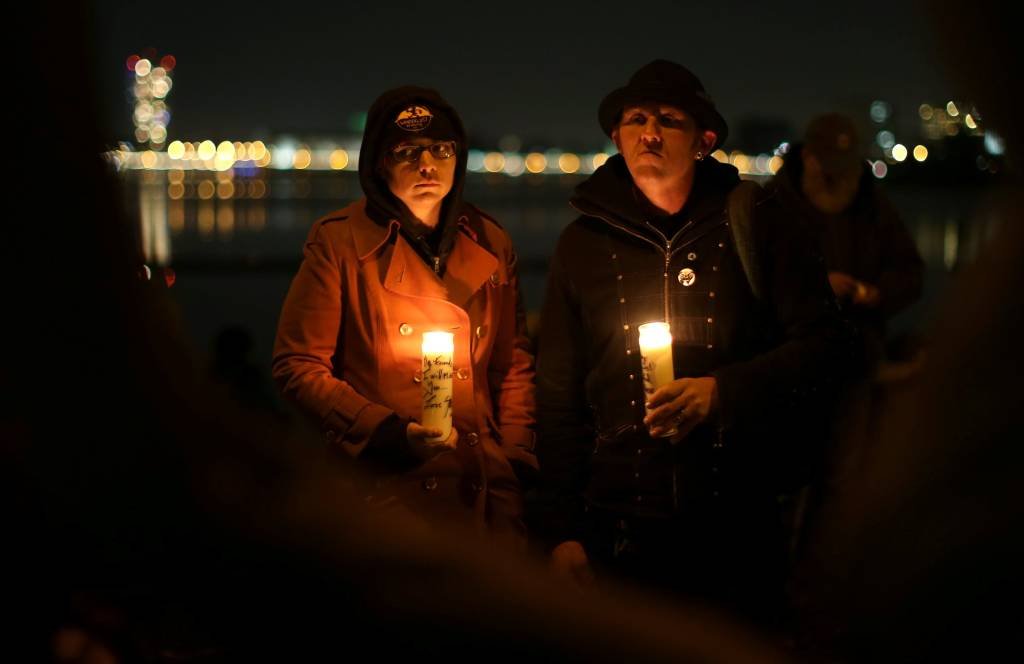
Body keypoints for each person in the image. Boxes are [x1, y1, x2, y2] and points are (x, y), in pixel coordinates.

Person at [532, 60, 855, 626]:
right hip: (617, 521)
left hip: (735, 521)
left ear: (704, 141)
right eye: (635, 119)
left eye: (669, 120)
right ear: (617, 137)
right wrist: (562, 531)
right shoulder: (583, 244)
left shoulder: (759, 222)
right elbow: (558, 393)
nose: (649, 132)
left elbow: (825, 345)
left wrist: (723, 392)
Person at [272, 86, 536, 543]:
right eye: (407, 152)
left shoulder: (492, 241)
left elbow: (512, 363)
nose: (428, 165)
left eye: (441, 149)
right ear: (378, 162)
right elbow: (297, 366)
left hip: (487, 491)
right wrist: (387, 434)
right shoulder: (339, 243)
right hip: (389, 493)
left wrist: (515, 457)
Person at [768, 112, 923, 366]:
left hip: (861, 352)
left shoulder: (873, 204)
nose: (839, 182)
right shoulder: (771, 205)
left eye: (847, 172)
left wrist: (879, 292)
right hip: (787, 358)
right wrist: (818, 287)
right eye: (830, 172)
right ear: (807, 157)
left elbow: (910, 271)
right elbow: (755, 288)